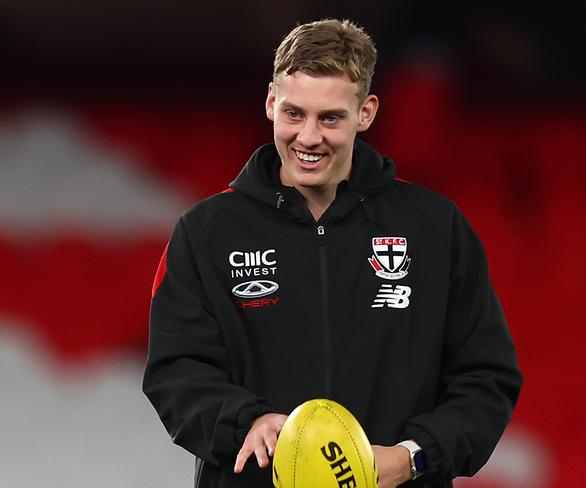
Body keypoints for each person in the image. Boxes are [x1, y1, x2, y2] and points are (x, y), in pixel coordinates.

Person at [143, 18, 522, 488]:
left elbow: (486, 376)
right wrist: (247, 422)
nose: (308, 138)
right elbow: (176, 371)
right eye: (294, 113)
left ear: (366, 112)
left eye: (330, 118)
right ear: (270, 102)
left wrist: (412, 457)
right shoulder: (204, 233)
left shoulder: (434, 228)